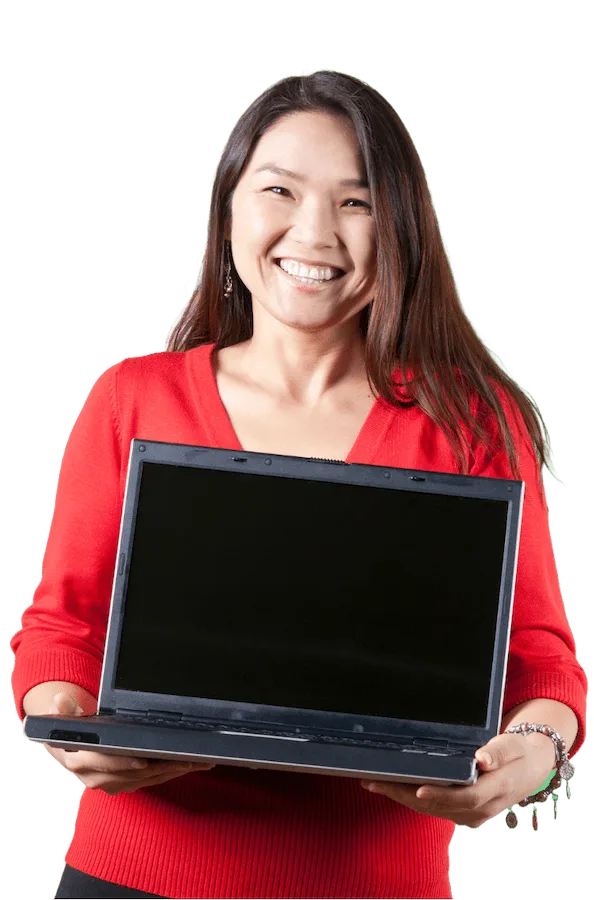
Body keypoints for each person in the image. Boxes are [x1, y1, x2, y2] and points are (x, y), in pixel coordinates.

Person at [10, 70, 587, 900]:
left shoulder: (470, 423)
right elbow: (61, 624)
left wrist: (533, 754)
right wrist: (73, 721)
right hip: (130, 879)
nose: (313, 233)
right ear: (230, 206)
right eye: (280, 190)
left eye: (355, 202)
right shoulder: (134, 398)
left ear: (399, 228)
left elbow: (539, 661)